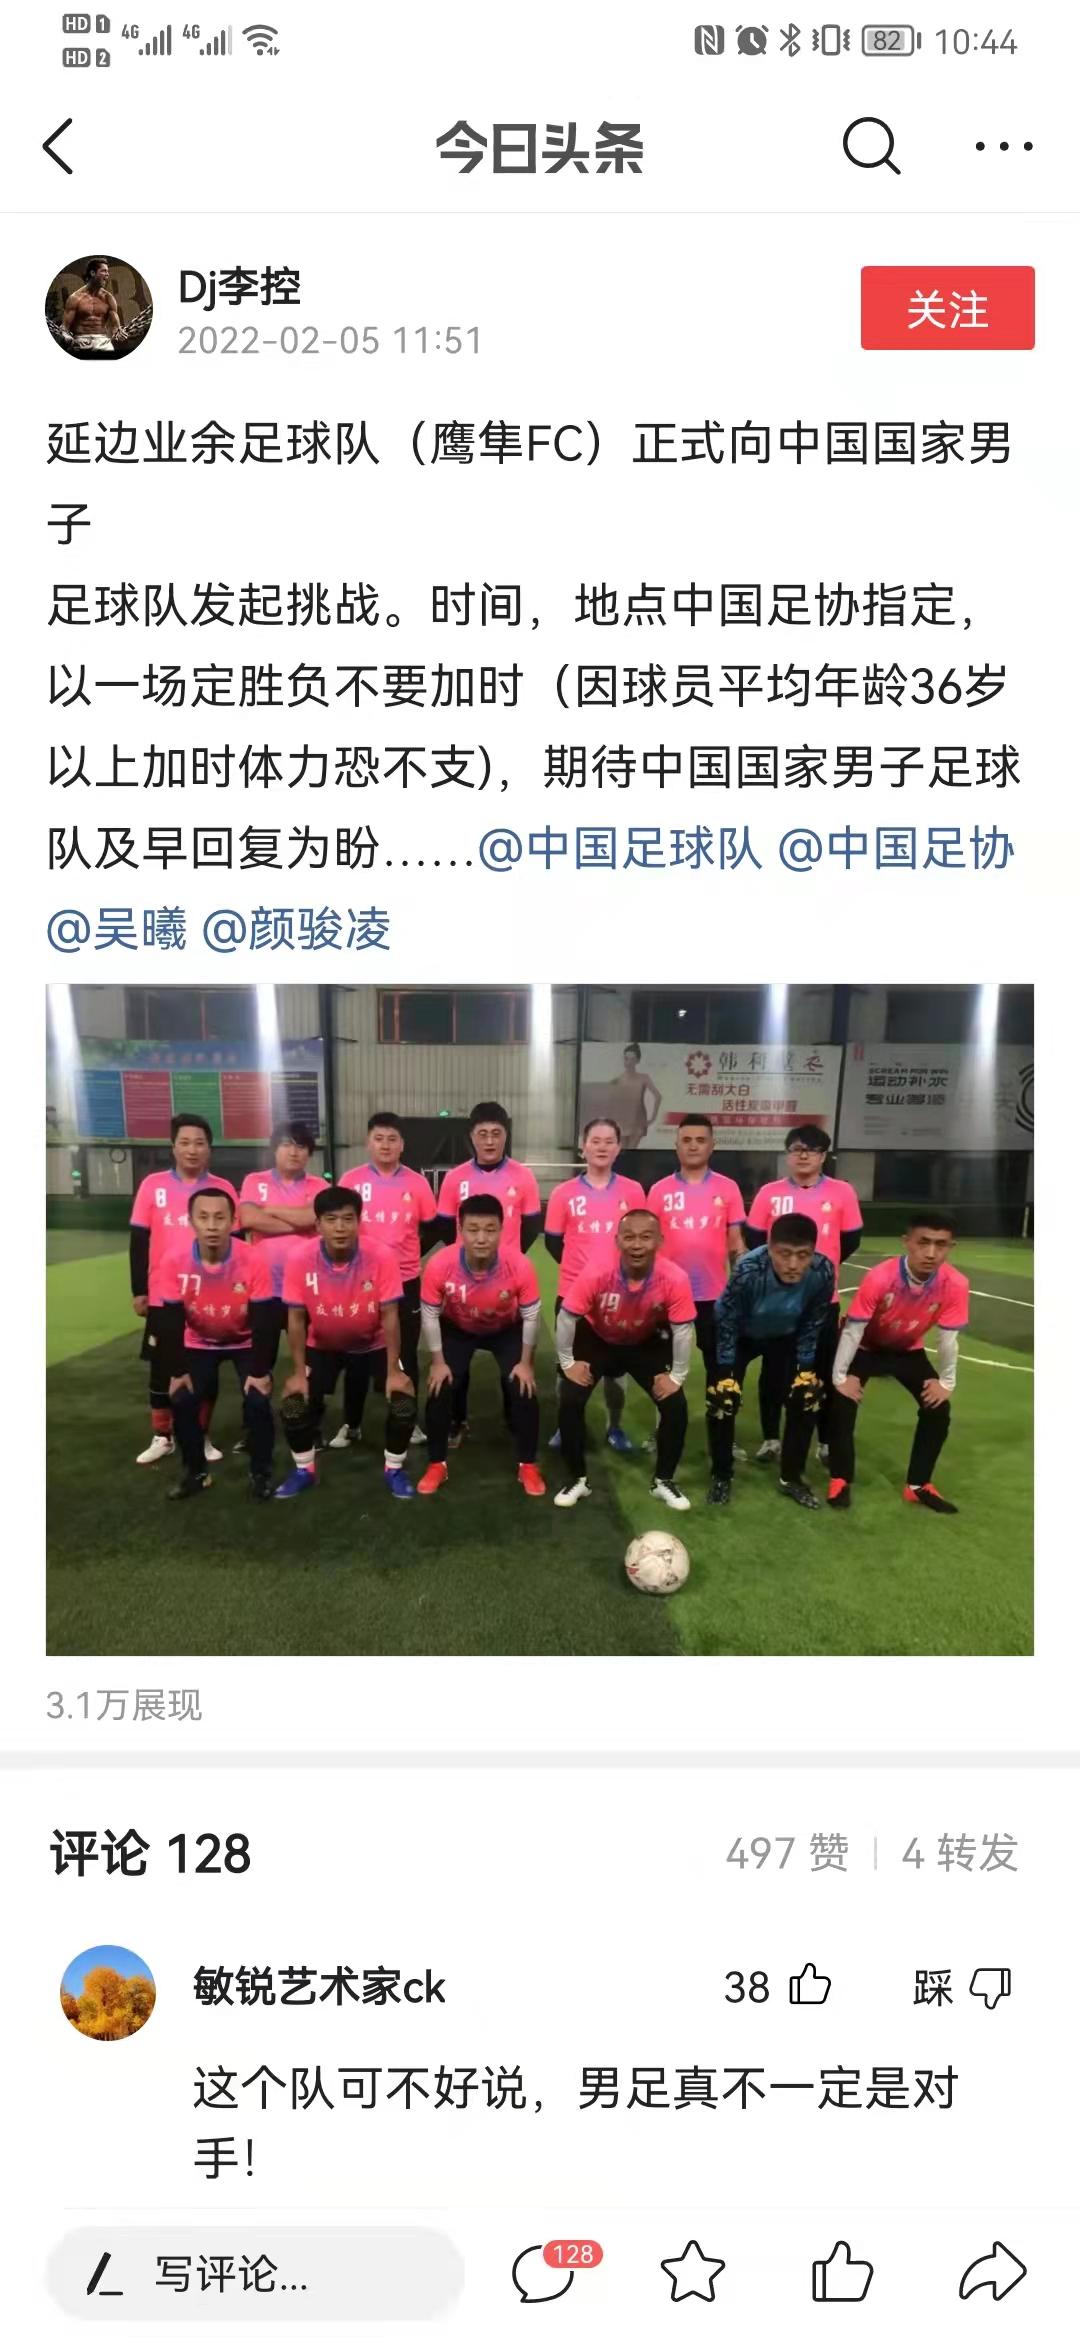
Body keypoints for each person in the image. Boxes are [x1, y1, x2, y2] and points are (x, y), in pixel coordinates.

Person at [274, 1188, 417, 1500]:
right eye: (331, 1220)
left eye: (348, 1219)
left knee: (404, 1401)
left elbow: (390, 1315)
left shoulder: (381, 1256)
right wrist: (298, 1372)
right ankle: (304, 1470)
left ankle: (394, 1469)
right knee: (294, 1404)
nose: (340, 1228)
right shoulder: (299, 1259)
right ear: (317, 1225)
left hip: (373, 1344)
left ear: (358, 1222)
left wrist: (394, 1370)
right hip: (323, 1345)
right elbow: (295, 1319)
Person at [827, 1210, 970, 1514]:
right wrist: (840, 1378)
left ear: (951, 1247)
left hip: (907, 1350)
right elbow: (853, 1330)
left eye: (941, 1244)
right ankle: (840, 1478)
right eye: (923, 1242)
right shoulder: (881, 1276)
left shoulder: (956, 1283)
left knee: (938, 1408)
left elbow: (947, 1340)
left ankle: (917, 1485)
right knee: (842, 1403)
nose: (931, 1253)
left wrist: (946, 1383)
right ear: (907, 1242)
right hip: (865, 1347)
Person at [553, 1210, 696, 1512]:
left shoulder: (674, 1277)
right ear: (617, 1241)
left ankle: (664, 1481)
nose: (637, 1245)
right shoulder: (597, 1272)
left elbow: (683, 1329)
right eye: (629, 1237)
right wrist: (567, 1363)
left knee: (675, 1404)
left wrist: (677, 1377)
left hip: (644, 1342)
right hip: (597, 1338)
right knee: (570, 1398)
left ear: (660, 1241)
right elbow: (567, 1316)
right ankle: (577, 1479)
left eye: (646, 1237)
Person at [745, 1125, 862, 1465]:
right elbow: (755, 1239)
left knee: (822, 1372)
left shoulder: (842, 1192)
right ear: (787, 1154)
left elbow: (850, 1240)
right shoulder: (769, 1193)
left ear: (824, 1156)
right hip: (776, 1301)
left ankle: (824, 1441)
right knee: (774, 1371)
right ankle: (771, 1438)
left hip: (822, 1301)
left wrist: (819, 1272)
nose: (804, 1155)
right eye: (797, 1149)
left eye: (812, 1149)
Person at [417, 1196, 545, 1499]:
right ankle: (437, 1463)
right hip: (458, 1328)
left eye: (490, 1229)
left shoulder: (519, 1265)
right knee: (440, 1386)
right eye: (473, 1230)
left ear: (501, 1231)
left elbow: (531, 1316)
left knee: (523, 1387)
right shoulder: (441, 1264)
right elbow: (430, 1314)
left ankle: (527, 1464)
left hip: (505, 1329)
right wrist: (438, 1362)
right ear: (460, 1230)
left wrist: (525, 1363)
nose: (481, 1238)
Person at [129, 1115, 239, 1467]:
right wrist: (139, 1290)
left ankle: (200, 1434)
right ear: (173, 1147)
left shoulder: (223, 1188)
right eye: (185, 1142)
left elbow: (235, 1242)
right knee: (162, 1367)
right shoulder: (153, 1185)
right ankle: (163, 1435)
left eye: (200, 1143)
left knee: (204, 1369)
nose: (192, 1150)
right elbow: (139, 1240)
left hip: (209, 1295)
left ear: (210, 1149)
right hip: (164, 1294)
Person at [706, 1215, 835, 1511]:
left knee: (806, 1396)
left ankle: (792, 1477)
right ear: (769, 1247)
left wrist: (805, 1369)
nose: (793, 1264)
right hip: (740, 1334)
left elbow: (813, 1321)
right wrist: (725, 1371)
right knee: (722, 1399)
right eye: (784, 1254)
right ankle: (721, 1475)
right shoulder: (749, 1269)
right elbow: (727, 1319)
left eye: (802, 1255)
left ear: (813, 1251)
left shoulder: (823, 1271)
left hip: (785, 1335)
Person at [156, 1188, 277, 1502]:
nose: (211, 1225)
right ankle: (196, 1473)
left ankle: (260, 1473)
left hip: (245, 1341)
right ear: (190, 1221)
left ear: (233, 1221)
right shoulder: (174, 1260)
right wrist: (177, 1371)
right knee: (181, 1399)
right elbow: (170, 1320)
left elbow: (265, 1320)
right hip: (198, 1341)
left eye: (220, 1217)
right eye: (203, 1217)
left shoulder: (253, 1258)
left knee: (258, 1401)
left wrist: (260, 1371)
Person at [434, 1102, 542, 1446]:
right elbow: (444, 1227)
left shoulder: (523, 1177)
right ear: (472, 1137)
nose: (490, 1141)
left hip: (506, 1285)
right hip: (462, 1286)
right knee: (456, 1367)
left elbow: (531, 1227)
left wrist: (509, 1261)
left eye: (497, 1133)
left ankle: (513, 1417)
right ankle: (457, 1420)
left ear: (506, 1135)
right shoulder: (455, 1178)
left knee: (512, 1363)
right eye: (483, 1134)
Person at [545, 1117, 647, 1454]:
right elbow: (554, 1243)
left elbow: (640, 1241)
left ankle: (614, 1426)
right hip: (574, 1296)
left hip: (621, 1297)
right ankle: (565, 1426)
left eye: (609, 1141)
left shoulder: (633, 1191)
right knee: (567, 1367)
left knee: (616, 1373)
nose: (602, 1147)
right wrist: (583, 1276)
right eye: (595, 1140)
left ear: (619, 1148)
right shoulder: (563, 1193)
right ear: (583, 1146)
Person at [337, 1112, 439, 1446]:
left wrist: (409, 1253)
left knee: (405, 1353)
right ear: (368, 1142)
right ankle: (351, 1424)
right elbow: (338, 1227)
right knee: (356, 1354)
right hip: (358, 1281)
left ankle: (407, 1421)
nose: (385, 1145)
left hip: (405, 1280)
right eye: (379, 1138)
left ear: (402, 1145)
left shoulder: (417, 1183)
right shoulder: (350, 1181)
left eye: (392, 1139)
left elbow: (433, 1226)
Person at [647, 1114, 747, 1424]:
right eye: (687, 1140)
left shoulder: (728, 1188)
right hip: (667, 1295)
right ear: (676, 1146)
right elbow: (648, 1242)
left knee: (719, 1366)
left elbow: (736, 1243)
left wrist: (740, 1289)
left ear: (712, 1146)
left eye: (700, 1140)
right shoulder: (659, 1190)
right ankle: (663, 1429)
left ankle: (721, 1431)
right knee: (664, 1366)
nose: (693, 1146)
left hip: (713, 1296)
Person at [237, 1119, 325, 1365]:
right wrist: (301, 1222)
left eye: (301, 1146)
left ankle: (307, 1389)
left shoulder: (320, 1186)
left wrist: (270, 1209)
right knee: (261, 1359)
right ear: (275, 1149)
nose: (294, 1152)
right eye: (287, 1145)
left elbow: (313, 1217)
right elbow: (249, 1218)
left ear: (309, 1153)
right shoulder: (255, 1181)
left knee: (310, 1359)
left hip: (306, 1286)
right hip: (265, 1287)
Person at [605, 1041, 662, 1149]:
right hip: (622, 1120)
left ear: (637, 1061)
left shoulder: (644, 1078)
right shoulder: (618, 1079)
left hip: (638, 1120)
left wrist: (653, 1118)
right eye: (626, 1059)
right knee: (623, 1151)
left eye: (632, 1059)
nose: (628, 1062)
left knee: (631, 1151)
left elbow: (658, 1097)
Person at [62, 259, 121, 353]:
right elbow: (65, 327)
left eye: (107, 271)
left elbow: (115, 326)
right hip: (81, 341)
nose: (107, 274)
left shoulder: (108, 298)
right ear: (93, 273)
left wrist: (118, 332)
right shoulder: (75, 298)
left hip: (103, 341)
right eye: (104, 271)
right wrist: (66, 336)